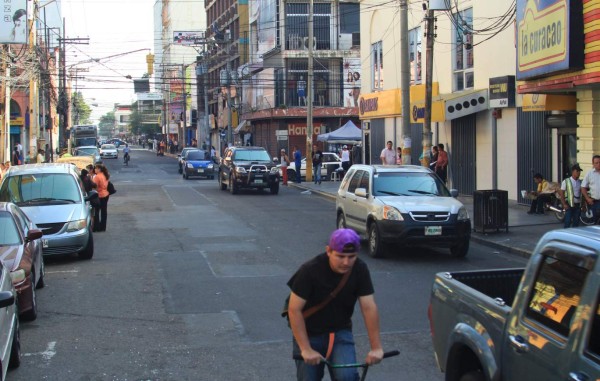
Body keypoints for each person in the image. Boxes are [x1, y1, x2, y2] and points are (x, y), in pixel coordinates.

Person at [287, 228, 383, 381]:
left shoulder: (359, 269)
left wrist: (376, 347)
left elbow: (368, 307)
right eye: (340, 256)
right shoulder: (309, 271)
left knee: (348, 377)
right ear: (328, 251)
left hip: (340, 332)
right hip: (309, 334)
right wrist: (305, 349)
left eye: (351, 256)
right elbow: (294, 310)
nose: (346, 262)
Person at [559, 164, 583, 228]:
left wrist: (583, 204)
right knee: (568, 221)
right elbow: (561, 193)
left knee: (576, 222)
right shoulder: (566, 181)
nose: (579, 173)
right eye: (577, 171)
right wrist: (564, 204)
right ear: (573, 172)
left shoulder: (580, 182)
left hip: (577, 205)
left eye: (579, 171)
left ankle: (573, 236)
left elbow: (582, 193)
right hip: (569, 204)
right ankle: (565, 236)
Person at [92, 164, 110, 232]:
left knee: (96, 212)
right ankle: (103, 227)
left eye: (96, 168)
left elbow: (94, 186)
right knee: (104, 212)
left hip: (99, 195)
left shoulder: (97, 177)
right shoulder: (105, 175)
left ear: (99, 169)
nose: (95, 170)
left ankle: (97, 227)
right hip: (106, 194)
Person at [582, 155, 600, 222]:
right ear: (593, 164)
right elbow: (583, 187)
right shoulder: (589, 174)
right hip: (595, 202)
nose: (599, 164)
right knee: (596, 221)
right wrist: (587, 198)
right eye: (596, 163)